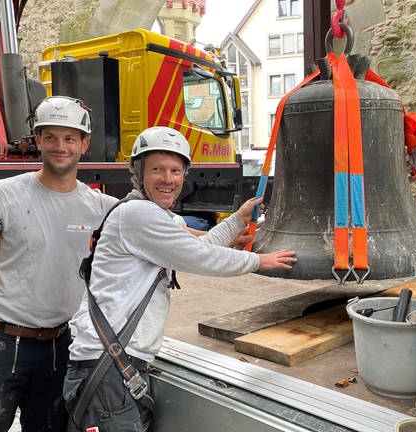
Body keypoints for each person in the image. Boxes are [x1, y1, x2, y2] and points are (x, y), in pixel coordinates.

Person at [64, 126, 297, 431]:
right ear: (139, 172)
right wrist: (258, 262)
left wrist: (238, 219)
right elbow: (199, 258)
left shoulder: (156, 216)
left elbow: (196, 247)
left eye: (175, 170)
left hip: (115, 363)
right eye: (157, 169)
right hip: (106, 366)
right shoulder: (137, 215)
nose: (168, 179)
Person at [0, 96, 118, 432]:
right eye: (51, 137)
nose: (60, 146)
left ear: (84, 144)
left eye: (70, 138)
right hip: (0, 343)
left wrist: (232, 228)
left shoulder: (101, 207)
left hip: (61, 348)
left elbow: (160, 230)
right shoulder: (0, 195)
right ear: (38, 141)